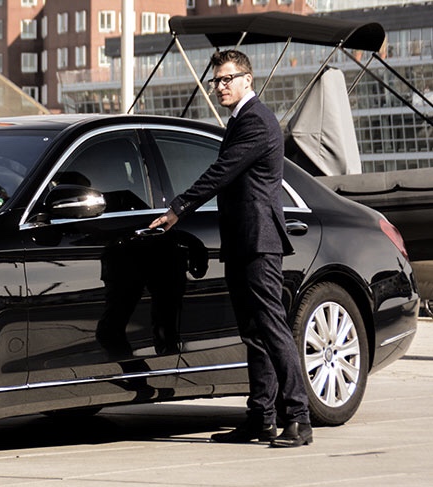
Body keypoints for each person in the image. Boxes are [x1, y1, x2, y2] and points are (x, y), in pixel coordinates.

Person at [149, 50, 312, 448]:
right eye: (216, 81)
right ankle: (260, 418)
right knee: (253, 332)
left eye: (227, 79)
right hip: (241, 240)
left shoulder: (256, 121)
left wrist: (178, 208)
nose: (220, 86)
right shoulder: (239, 121)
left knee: (272, 328)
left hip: (259, 241)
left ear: (247, 80)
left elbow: (222, 173)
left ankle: (299, 418)